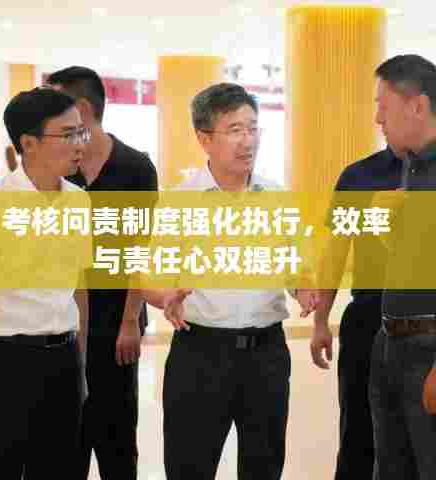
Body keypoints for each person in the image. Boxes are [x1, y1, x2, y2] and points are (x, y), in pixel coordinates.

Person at [142, 83, 319, 480]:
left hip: (266, 355)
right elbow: (148, 278)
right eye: (235, 130)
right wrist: (165, 296)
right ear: (204, 138)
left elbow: (295, 264)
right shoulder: (179, 201)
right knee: (190, 465)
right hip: (200, 354)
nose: (247, 140)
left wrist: (303, 288)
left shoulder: (277, 196)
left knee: (264, 465)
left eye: (253, 128)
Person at [0, 87, 92, 479]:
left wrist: (80, 366)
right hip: (5, 364)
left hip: (63, 362)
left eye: (81, 132)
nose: (79, 144)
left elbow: (79, 287)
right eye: (67, 134)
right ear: (29, 143)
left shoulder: (79, 201)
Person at [47, 66, 158, 480]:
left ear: (82, 109)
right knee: (68, 440)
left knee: (116, 440)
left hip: (116, 327)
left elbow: (140, 248)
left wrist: (130, 321)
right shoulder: (58, 170)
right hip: (63, 325)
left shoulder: (135, 167)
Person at [311, 144, 404, 480]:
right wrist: (321, 321)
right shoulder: (358, 175)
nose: (380, 119)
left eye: (386, 114)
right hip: (368, 318)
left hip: (425, 321)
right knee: (358, 431)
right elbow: (335, 251)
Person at [368, 54, 436, 480]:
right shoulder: (413, 165)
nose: (378, 118)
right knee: (392, 467)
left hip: (429, 351)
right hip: (391, 343)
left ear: (417, 106)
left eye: (383, 106)